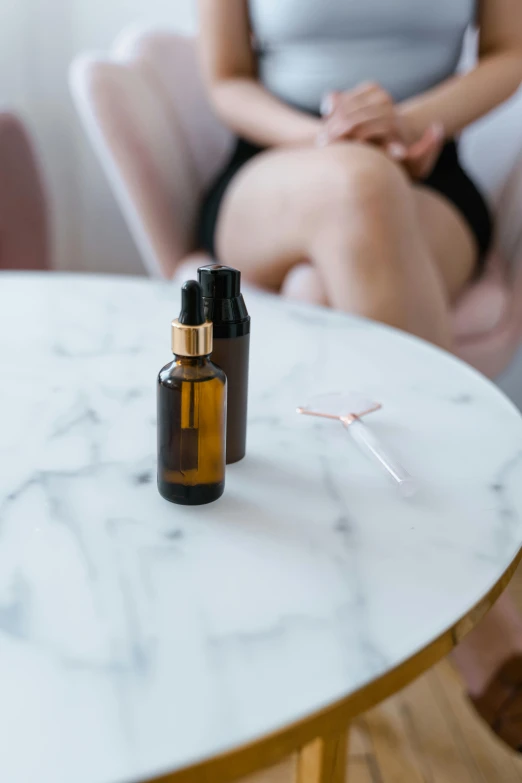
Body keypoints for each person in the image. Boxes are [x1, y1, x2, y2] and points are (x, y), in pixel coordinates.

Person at [196, 0, 522, 750]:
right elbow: (224, 77)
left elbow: (508, 51)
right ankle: (475, 604)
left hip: (428, 177)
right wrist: (327, 136)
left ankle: (354, 582)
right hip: (275, 168)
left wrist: (408, 123)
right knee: (358, 183)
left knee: (328, 277)